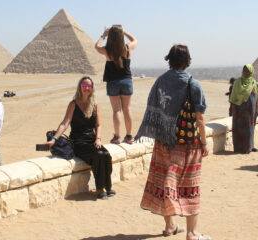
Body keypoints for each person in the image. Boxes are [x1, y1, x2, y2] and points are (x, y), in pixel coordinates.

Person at [135, 45, 211, 240]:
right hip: (187, 144)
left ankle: (170, 226)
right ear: (188, 61)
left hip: (163, 143)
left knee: (164, 184)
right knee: (189, 186)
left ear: (169, 60)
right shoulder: (193, 84)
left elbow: (154, 108)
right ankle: (192, 233)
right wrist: (204, 143)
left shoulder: (160, 81)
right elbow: (200, 119)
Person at [45, 76, 115, 200]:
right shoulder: (73, 104)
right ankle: (99, 189)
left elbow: (98, 125)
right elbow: (65, 123)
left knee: (106, 155)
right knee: (98, 155)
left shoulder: (95, 105)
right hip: (78, 141)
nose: (86, 88)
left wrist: (98, 138)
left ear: (92, 88)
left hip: (92, 140)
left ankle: (107, 186)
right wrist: (54, 139)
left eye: (89, 86)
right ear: (80, 87)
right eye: (84, 86)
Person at [95, 25, 137, 144]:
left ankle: (117, 136)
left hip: (113, 82)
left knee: (116, 110)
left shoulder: (107, 50)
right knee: (127, 109)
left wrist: (104, 35)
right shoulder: (128, 48)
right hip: (126, 81)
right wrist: (125, 32)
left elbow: (96, 46)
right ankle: (129, 136)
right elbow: (135, 40)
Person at [229, 64, 258, 153]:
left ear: (251, 72)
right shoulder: (238, 82)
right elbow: (233, 96)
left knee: (250, 128)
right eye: (244, 70)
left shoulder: (253, 82)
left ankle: (250, 146)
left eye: (248, 71)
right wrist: (233, 107)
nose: (246, 73)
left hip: (251, 111)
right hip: (239, 110)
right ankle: (239, 148)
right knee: (239, 128)